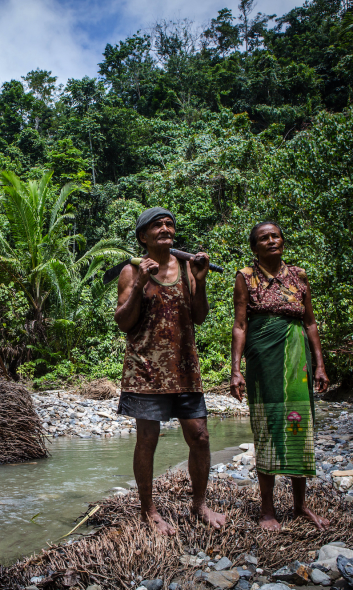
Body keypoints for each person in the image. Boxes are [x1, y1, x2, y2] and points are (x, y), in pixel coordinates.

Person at [114, 206, 225, 535]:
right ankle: (148, 511)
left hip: (185, 369)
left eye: (169, 224)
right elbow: (123, 322)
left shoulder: (188, 268)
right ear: (143, 237)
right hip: (145, 371)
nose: (165, 229)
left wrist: (201, 282)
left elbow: (199, 316)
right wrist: (140, 284)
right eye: (157, 225)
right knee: (147, 440)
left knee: (200, 436)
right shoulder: (131, 271)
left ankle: (200, 504)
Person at [229, 221, 330, 531]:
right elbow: (240, 325)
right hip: (263, 360)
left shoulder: (299, 275)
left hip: (298, 358)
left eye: (275, 236)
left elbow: (310, 322)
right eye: (264, 238)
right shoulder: (246, 277)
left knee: (300, 425)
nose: (271, 240)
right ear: (255, 247)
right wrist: (235, 370)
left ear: (283, 241)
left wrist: (320, 365)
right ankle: (267, 509)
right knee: (268, 424)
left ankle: (300, 506)